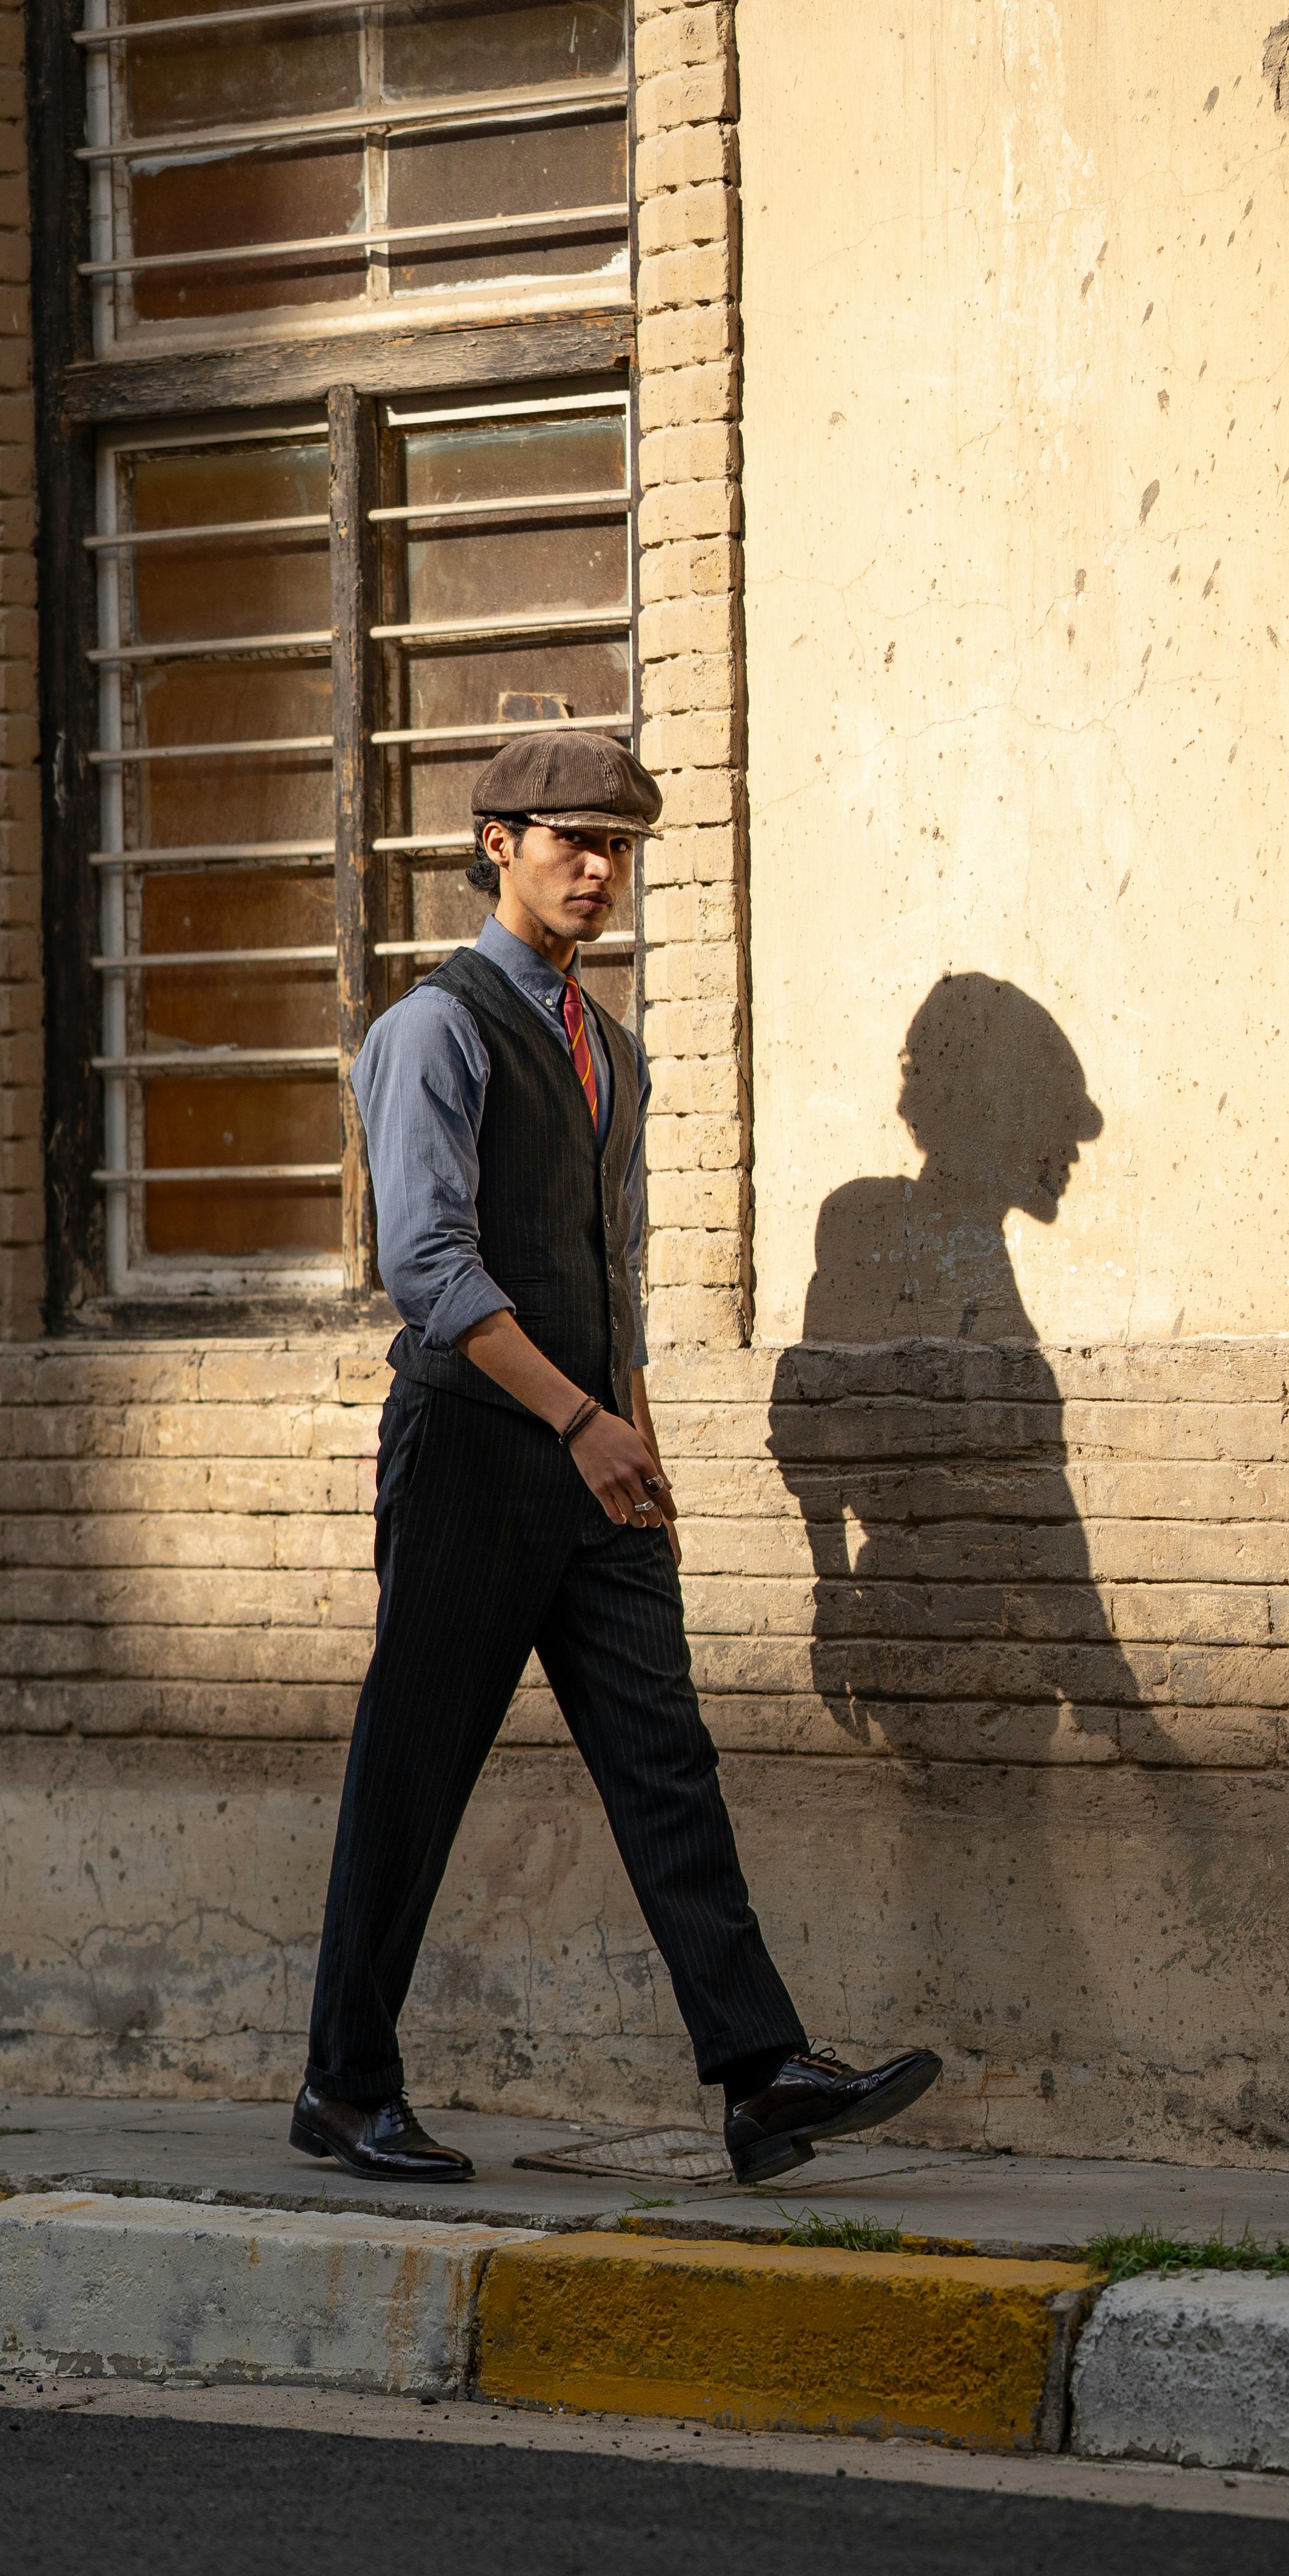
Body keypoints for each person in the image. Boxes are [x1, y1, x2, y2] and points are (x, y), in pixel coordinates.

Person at [291, 725, 940, 2187]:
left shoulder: (609, 1051)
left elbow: (613, 1267)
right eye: (571, 842)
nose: (596, 869)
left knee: (664, 1759)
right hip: (473, 1451)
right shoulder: (433, 1030)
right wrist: (577, 1421)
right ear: (496, 847)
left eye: (618, 848)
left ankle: (759, 2075)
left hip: (595, 1461)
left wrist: (630, 1436)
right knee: (413, 1771)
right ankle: (342, 2088)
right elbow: (430, 1268)